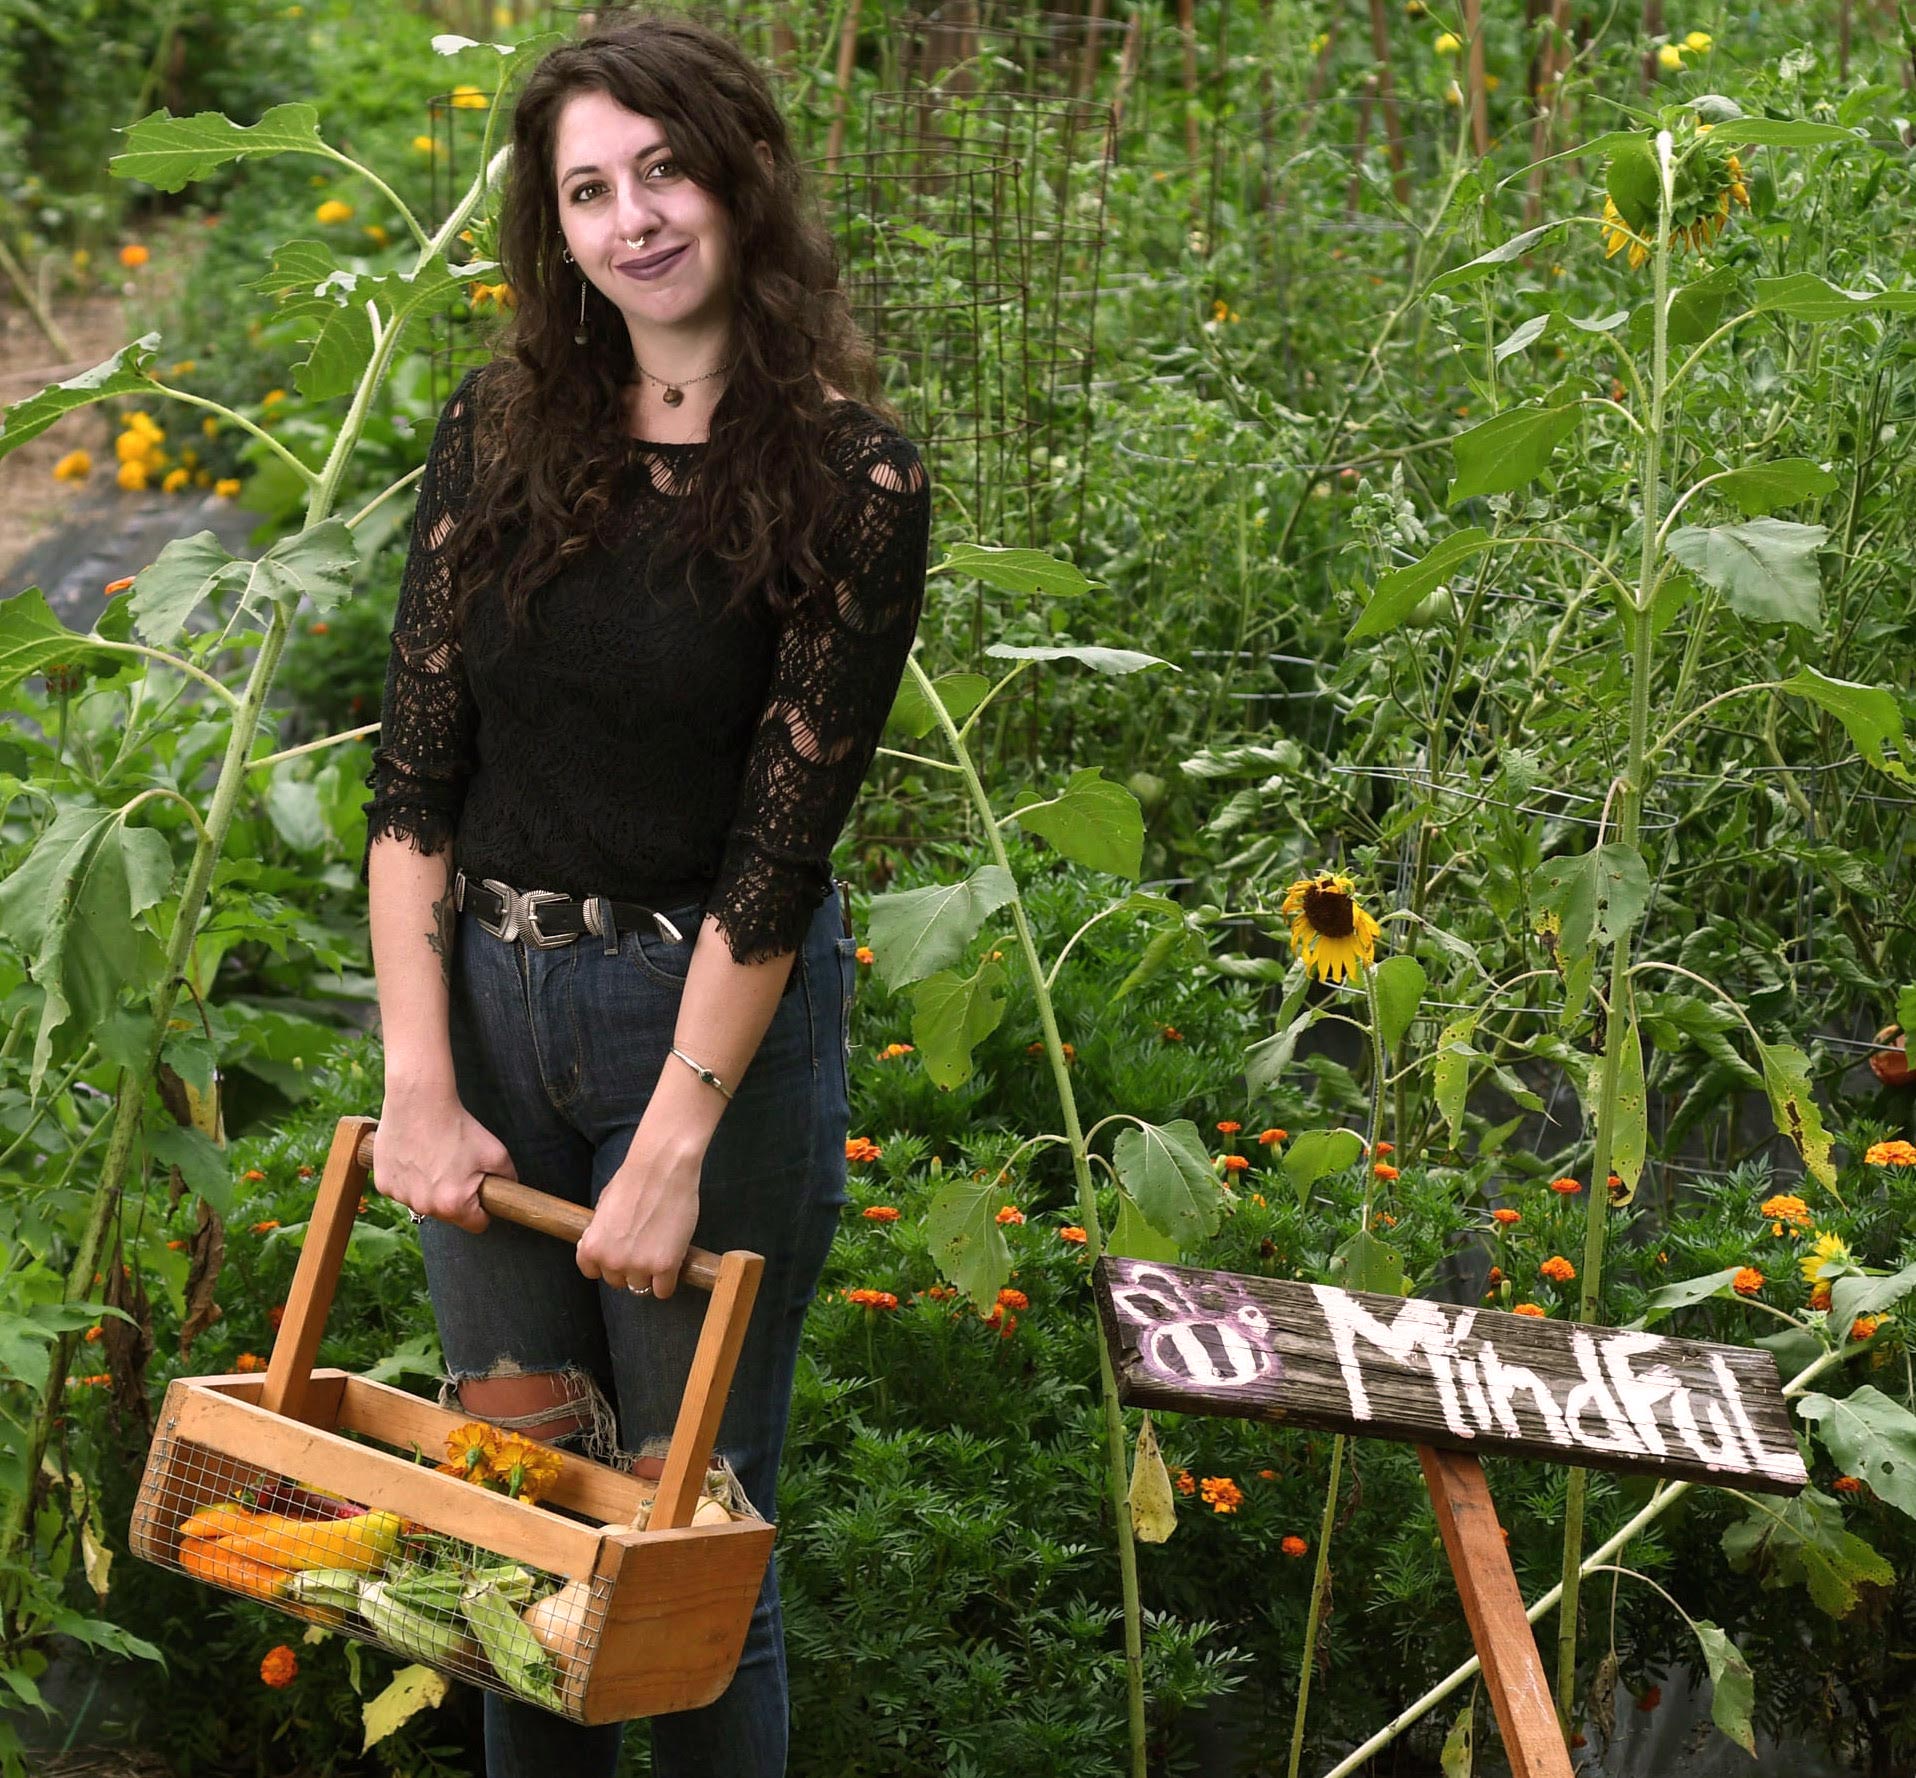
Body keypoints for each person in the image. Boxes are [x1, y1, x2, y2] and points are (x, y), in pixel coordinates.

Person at [359, 12, 930, 1776]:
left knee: (682, 1546)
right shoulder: (504, 429)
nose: (636, 220)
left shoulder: (853, 478)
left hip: (703, 1019)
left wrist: (679, 1139)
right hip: (486, 1011)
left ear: (741, 176)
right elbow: (412, 777)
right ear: (560, 230)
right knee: (512, 1532)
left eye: (664, 169)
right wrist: (419, 1079)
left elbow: (782, 848)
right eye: (591, 190)